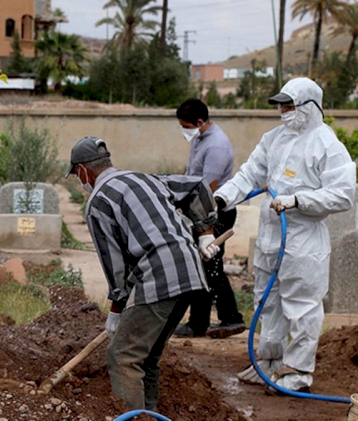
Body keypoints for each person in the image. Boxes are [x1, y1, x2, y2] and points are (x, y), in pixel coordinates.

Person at [215, 78, 355, 392]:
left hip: (303, 241)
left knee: (301, 307)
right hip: (270, 239)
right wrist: (222, 198)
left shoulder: (327, 145)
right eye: (281, 105)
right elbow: (251, 173)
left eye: (289, 105)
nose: (283, 111)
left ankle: (298, 371)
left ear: (310, 106)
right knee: (268, 303)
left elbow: (344, 195)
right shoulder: (274, 138)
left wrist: (300, 200)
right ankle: (269, 361)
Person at [66, 136, 217, 411]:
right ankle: (148, 414)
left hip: (159, 276)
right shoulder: (146, 179)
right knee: (146, 357)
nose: (80, 181)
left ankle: (132, 418)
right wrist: (205, 234)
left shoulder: (98, 202)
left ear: (84, 170)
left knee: (123, 356)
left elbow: (115, 266)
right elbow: (197, 185)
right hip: (191, 271)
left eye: (77, 174)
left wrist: (115, 309)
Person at [174, 98, 246, 339]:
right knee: (203, 266)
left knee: (210, 266)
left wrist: (187, 209)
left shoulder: (217, 146)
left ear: (200, 122)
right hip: (201, 210)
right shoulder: (201, 139)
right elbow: (191, 174)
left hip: (215, 212)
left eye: (186, 126)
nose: (184, 131)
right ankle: (201, 322)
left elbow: (208, 188)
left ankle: (227, 319)